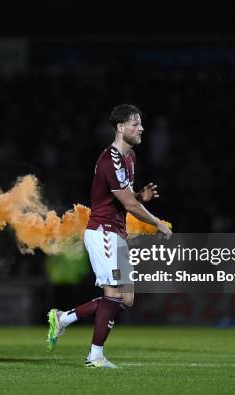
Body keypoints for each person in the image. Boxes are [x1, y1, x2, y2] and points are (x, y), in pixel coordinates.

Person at [46, 104, 172, 368]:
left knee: (126, 299)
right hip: (103, 232)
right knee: (113, 294)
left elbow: (124, 198)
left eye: (141, 123)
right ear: (120, 127)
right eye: (135, 124)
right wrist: (157, 222)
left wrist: (140, 197)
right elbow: (128, 205)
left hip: (117, 233)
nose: (141, 128)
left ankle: (64, 318)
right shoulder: (110, 159)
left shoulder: (130, 157)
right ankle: (95, 356)